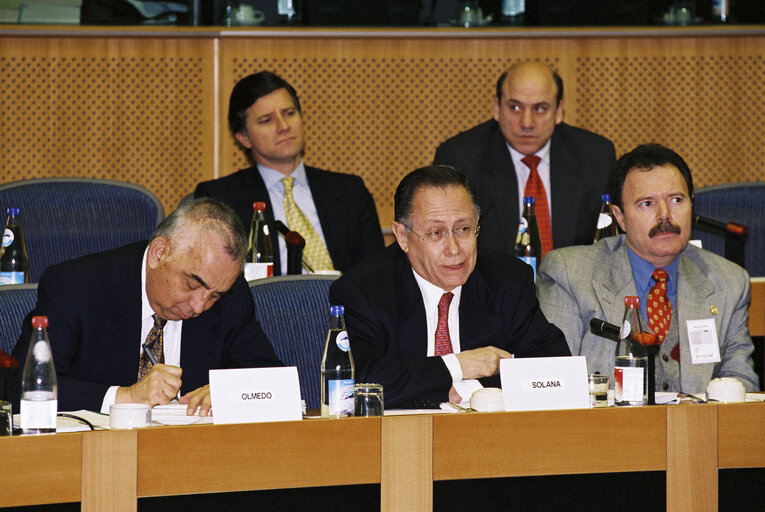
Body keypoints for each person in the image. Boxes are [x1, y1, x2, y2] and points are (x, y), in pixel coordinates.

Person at [329, 165, 570, 409]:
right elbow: (358, 384)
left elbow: (554, 366)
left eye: (463, 229)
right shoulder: (363, 290)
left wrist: (470, 390)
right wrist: (457, 365)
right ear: (403, 236)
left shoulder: (507, 279)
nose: (454, 249)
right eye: (436, 233)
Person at [12, 198, 282, 415]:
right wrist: (126, 396)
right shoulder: (76, 286)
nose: (200, 306)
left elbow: (272, 378)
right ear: (159, 253)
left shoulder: (232, 297)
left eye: (215, 295)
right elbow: (19, 386)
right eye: (192, 284)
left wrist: (230, 390)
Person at [537, 144, 758, 392]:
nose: (665, 215)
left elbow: (742, 382)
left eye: (676, 200)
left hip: (695, 427)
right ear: (620, 217)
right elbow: (552, 383)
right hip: (604, 427)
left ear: (691, 204)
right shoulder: (570, 273)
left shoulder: (728, 282)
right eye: (647, 204)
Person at [194, 70, 384, 275]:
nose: (283, 126)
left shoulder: (350, 192)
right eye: (266, 120)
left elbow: (376, 275)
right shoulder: (219, 199)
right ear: (243, 138)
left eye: (289, 113)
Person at [433, 61, 615, 256]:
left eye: (540, 109)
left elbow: (609, 244)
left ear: (559, 110)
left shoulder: (595, 156)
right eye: (515, 108)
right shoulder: (461, 159)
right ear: (496, 107)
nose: (527, 123)